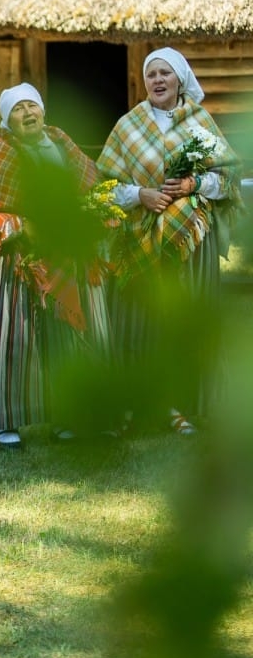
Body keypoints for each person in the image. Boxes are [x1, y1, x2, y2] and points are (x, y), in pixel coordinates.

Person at [96, 47, 242, 434]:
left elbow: (228, 181)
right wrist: (140, 195)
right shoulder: (129, 126)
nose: (157, 80)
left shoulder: (200, 122)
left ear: (180, 80)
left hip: (189, 245)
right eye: (151, 74)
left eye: (165, 74)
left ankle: (182, 406)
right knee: (135, 319)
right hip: (138, 244)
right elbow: (104, 187)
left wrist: (195, 183)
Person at [0, 83, 108, 448]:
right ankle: (7, 420)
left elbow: (91, 184)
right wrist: (21, 226)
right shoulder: (1, 152)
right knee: (17, 337)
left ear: (43, 111)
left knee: (65, 339)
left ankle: (64, 416)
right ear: (7, 119)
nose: (27, 114)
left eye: (32, 107)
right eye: (18, 110)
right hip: (21, 261)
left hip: (63, 255)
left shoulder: (61, 142)